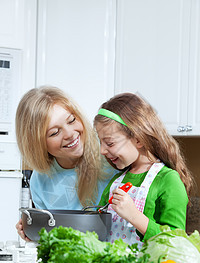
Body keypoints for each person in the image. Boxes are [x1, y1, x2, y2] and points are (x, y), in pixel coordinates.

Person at [94, 92, 194, 249]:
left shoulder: (168, 180)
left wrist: (134, 216)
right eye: (101, 143)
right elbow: (97, 227)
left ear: (138, 139)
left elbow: (176, 243)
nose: (102, 151)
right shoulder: (116, 181)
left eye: (110, 143)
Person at [15, 86, 116, 241]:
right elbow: (54, 234)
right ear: (37, 144)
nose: (70, 134)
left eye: (72, 120)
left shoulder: (111, 153)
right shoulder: (40, 181)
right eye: (55, 132)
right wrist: (36, 234)